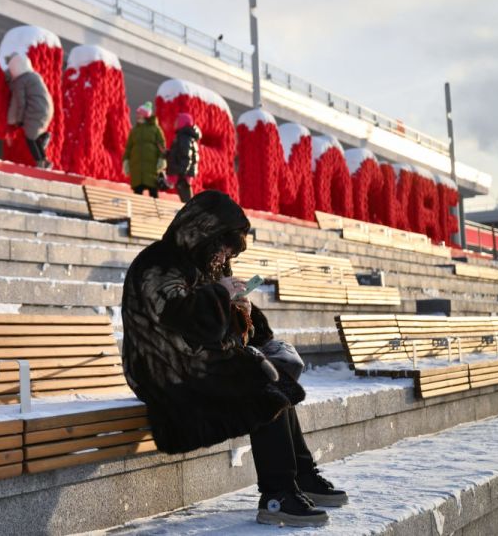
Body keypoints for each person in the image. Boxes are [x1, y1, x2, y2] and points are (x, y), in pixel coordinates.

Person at [120, 191, 347, 527]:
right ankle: (277, 495)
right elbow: (184, 321)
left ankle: (301, 475)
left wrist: (244, 314)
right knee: (259, 385)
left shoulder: (205, 264)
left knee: (273, 377)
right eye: (223, 248)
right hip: (161, 372)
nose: (225, 256)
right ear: (205, 233)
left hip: (197, 363)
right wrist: (220, 295)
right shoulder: (158, 263)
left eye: (229, 251)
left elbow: (223, 330)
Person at [6, 53, 54, 169]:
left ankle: (41, 161)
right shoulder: (34, 76)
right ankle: (44, 159)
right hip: (47, 109)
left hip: (35, 111)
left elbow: (21, 102)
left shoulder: (20, 81)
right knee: (34, 136)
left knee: (30, 138)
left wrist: (19, 120)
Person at [123, 102, 165, 197]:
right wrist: (126, 161)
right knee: (137, 193)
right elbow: (128, 148)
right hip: (137, 168)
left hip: (152, 168)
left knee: (153, 193)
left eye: (140, 113)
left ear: (145, 115)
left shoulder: (155, 129)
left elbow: (162, 146)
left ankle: (154, 207)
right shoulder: (134, 131)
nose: (137, 115)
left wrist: (162, 159)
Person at [166, 112, 201, 203]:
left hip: (182, 174)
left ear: (182, 123)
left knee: (186, 198)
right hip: (182, 172)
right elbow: (178, 154)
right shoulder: (183, 136)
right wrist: (167, 153)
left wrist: (181, 172)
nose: (175, 123)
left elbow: (187, 157)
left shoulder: (184, 138)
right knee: (185, 197)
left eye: (177, 121)